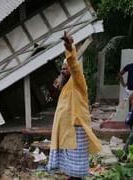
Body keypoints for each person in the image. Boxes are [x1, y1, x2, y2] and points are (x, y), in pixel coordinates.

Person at [47, 32, 101, 180]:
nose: (64, 70)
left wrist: (70, 48)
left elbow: (74, 65)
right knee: (69, 166)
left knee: (76, 167)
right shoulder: (65, 86)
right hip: (66, 129)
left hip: (76, 128)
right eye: (62, 68)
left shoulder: (78, 81)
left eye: (66, 68)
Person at [119, 63, 133, 152]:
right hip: (130, 91)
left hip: (129, 90)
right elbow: (120, 74)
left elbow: (120, 73)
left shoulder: (130, 66)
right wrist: (123, 83)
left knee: (131, 111)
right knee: (131, 111)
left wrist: (124, 84)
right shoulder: (130, 66)